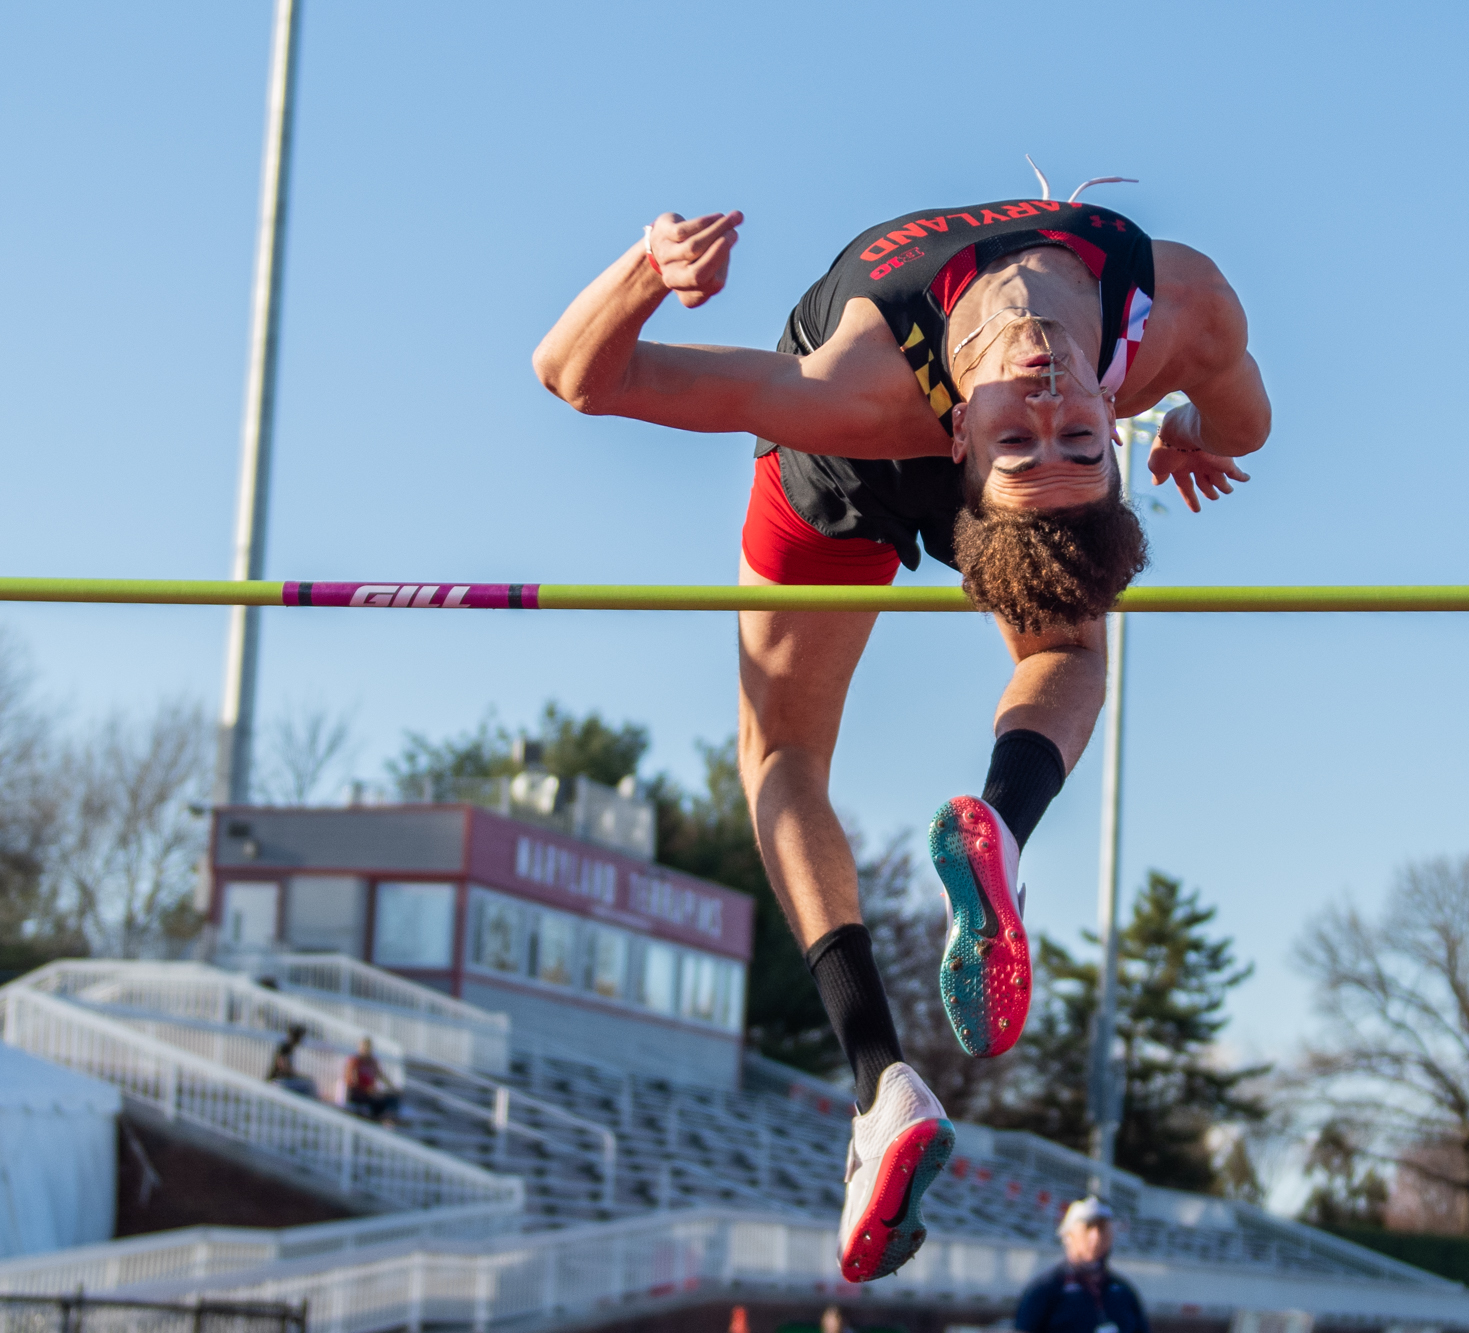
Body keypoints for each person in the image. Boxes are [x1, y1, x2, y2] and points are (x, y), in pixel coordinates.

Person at [535, 177, 1269, 1282]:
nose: (1050, 393)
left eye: (1052, 438)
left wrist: (648, 273)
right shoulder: (1162, 315)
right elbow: (1243, 418)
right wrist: (1178, 424)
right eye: (1069, 434)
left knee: (813, 740)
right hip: (866, 453)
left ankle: (892, 1063)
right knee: (898, 709)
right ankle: (943, 944)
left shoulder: (887, 386)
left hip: (864, 439)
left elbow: (576, 375)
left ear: (971, 452)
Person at [1016, 1198, 1148, 1333]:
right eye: (1088, 1227)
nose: (1095, 1237)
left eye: (1102, 1228)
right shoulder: (1045, 1290)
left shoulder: (1123, 1292)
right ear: (1068, 1234)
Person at [342, 1037, 401, 1125]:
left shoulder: (372, 1062)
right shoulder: (355, 1061)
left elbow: (381, 1076)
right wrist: (367, 1090)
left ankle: (386, 1121)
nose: (366, 1050)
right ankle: (377, 1122)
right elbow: (350, 1080)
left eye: (368, 1047)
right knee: (376, 1101)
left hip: (370, 1094)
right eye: (364, 1047)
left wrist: (394, 1088)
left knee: (391, 1099)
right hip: (358, 1094)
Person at [265, 1023, 319, 1098]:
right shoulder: (285, 1047)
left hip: (282, 1082)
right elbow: (283, 1067)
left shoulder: (290, 1048)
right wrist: (298, 1076)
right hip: (278, 1082)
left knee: (308, 1083)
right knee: (309, 1085)